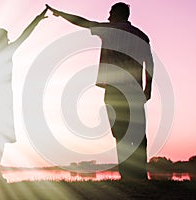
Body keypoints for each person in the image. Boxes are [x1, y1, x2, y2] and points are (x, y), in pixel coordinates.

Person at [46, 2, 154, 181]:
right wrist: (148, 87)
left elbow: (83, 22)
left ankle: (127, 175)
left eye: (111, 13)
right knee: (139, 132)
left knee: (120, 133)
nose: (108, 16)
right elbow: (149, 64)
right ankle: (140, 174)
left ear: (118, 14)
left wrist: (60, 13)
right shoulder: (142, 36)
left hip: (114, 90)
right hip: (135, 90)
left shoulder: (109, 30)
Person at [0, 6, 48, 183]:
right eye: (6, 37)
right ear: (0, 40)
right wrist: (37, 18)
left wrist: (38, 18)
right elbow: (24, 36)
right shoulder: (4, 52)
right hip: (1, 97)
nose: (9, 39)